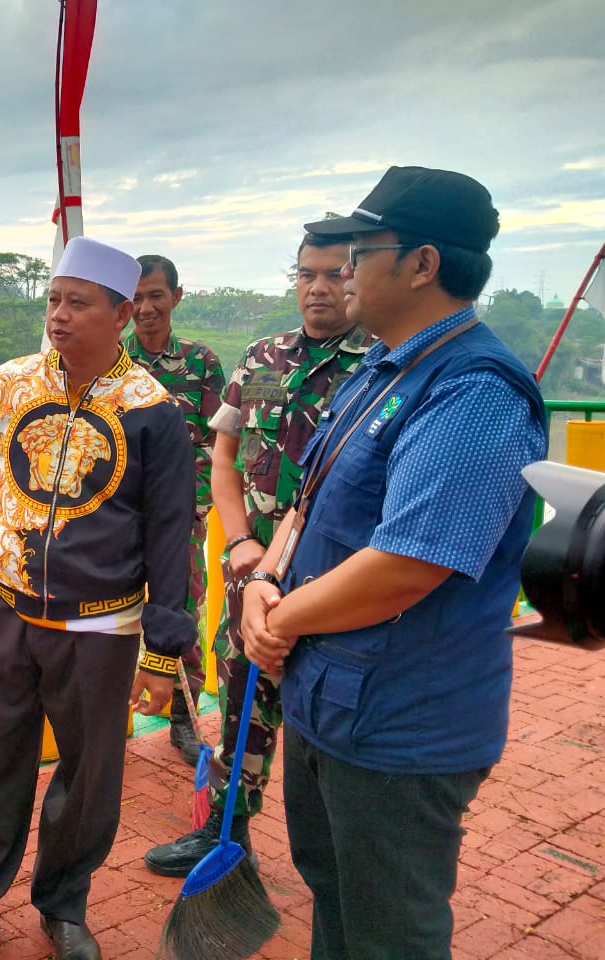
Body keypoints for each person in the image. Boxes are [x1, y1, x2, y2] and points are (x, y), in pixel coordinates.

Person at [242, 166, 547, 958]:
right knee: (334, 895)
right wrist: (264, 581)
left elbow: (407, 565)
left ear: (422, 265)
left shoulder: (474, 394)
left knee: (390, 931)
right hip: (331, 700)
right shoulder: (382, 369)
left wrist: (274, 622)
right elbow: (309, 505)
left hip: (401, 723)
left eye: (360, 250)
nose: (342, 270)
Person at [0, 236, 197, 960]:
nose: (58, 317)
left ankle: (63, 904)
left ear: (123, 313)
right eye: (51, 300)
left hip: (100, 626)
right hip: (4, 608)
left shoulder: (153, 411)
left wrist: (163, 655)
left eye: (77, 303)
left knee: (90, 775)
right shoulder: (11, 384)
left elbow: (170, 538)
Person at [144, 231, 371, 877]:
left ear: (360, 279)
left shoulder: (383, 368)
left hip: (333, 581)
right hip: (251, 575)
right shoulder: (262, 357)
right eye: (307, 273)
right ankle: (224, 835)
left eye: (335, 274)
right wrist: (241, 538)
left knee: (324, 716)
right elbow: (224, 456)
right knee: (243, 701)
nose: (318, 287)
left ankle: (339, 858)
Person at [123, 254, 225, 765]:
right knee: (111, 609)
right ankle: (111, 714)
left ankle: (184, 718)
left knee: (183, 605)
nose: (145, 308)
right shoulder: (110, 361)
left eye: (155, 296)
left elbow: (215, 445)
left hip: (181, 516)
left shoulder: (202, 363)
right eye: (136, 297)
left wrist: (192, 506)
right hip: (118, 515)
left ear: (176, 297)